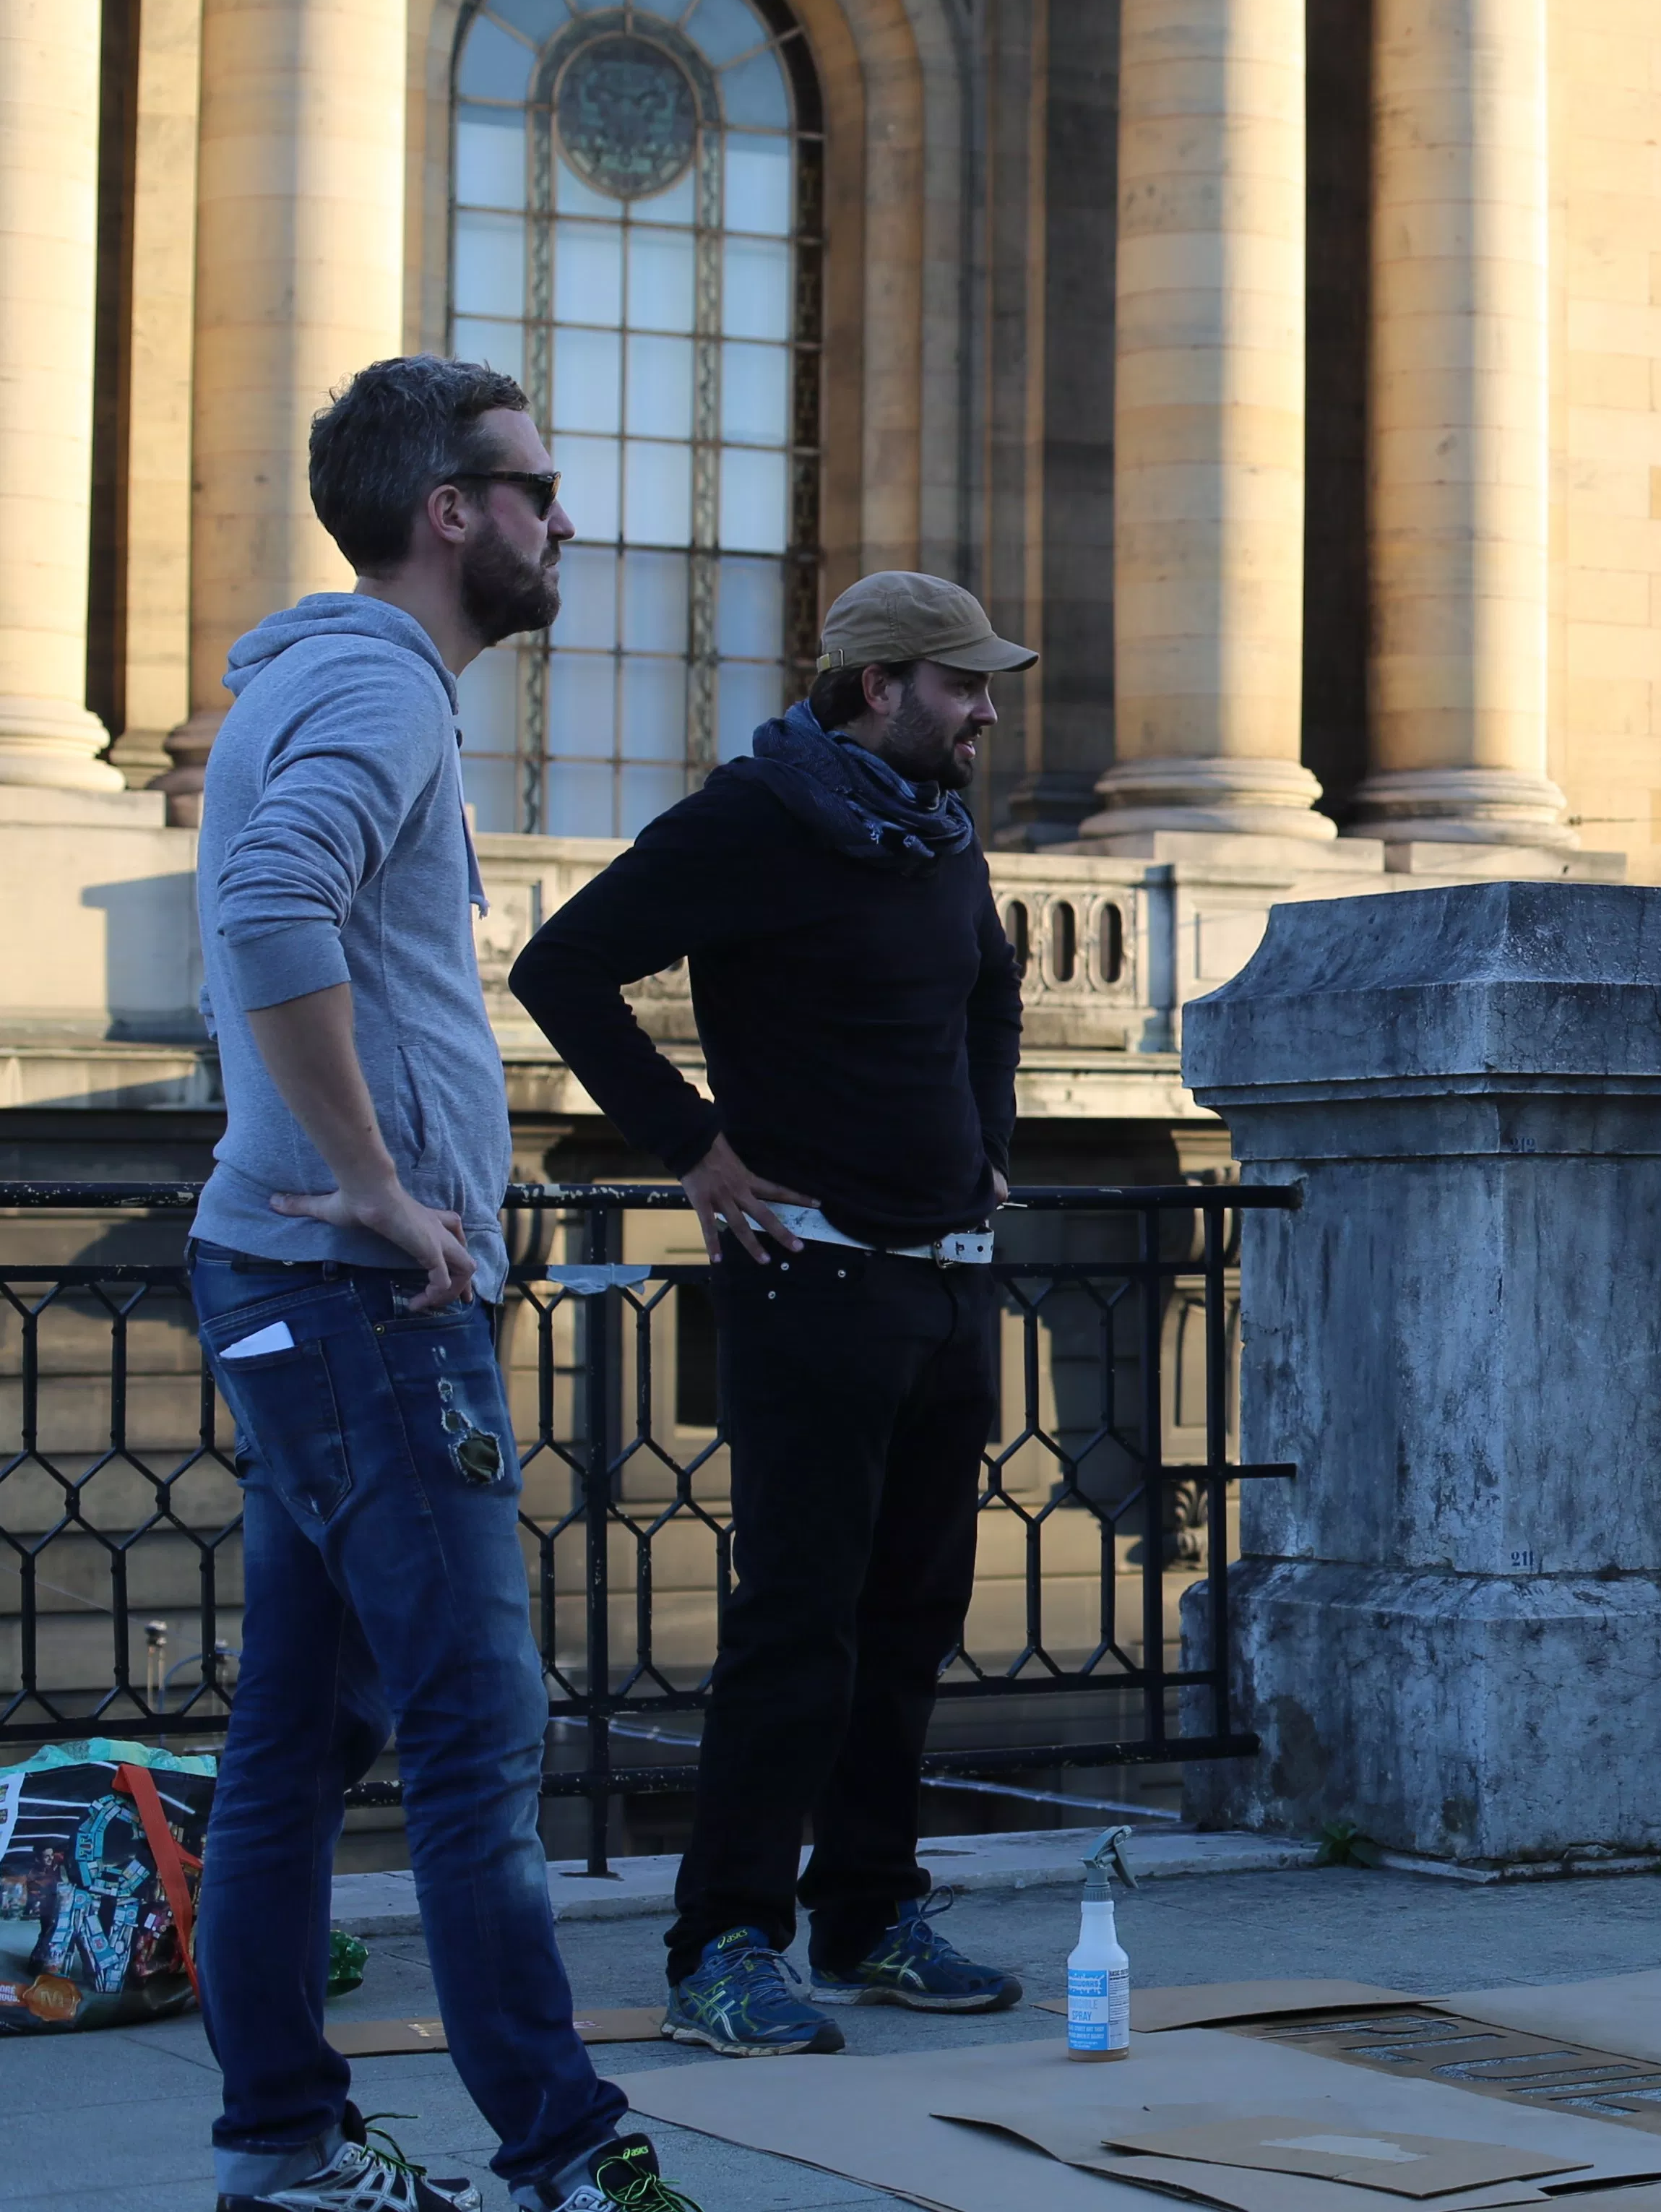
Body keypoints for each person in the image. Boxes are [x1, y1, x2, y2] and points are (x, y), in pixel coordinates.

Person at [188, 357, 702, 2212]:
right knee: (480, 1737)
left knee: (298, 1743)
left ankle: (283, 2156)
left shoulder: (328, 678)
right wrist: (378, 1191)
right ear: (453, 513)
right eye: (536, 486)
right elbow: (269, 906)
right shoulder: (380, 686)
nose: (568, 518)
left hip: (293, 1276)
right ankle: (569, 2151)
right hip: (357, 1297)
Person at [512, 574, 1033, 2059]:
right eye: (963, 685)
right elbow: (565, 968)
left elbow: (989, 992)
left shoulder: (938, 831)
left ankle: (870, 1915)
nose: (988, 710)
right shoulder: (754, 818)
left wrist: (990, 1149)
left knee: (912, 1619)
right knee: (796, 1627)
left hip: (944, 1279)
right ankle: (724, 1946)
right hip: (812, 1279)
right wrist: (690, 1145)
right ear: (877, 686)